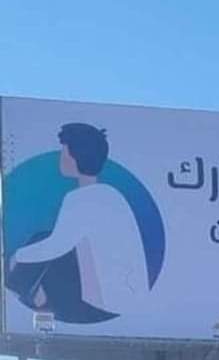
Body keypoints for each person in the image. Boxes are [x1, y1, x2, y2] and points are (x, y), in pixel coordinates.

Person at [7, 123, 149, 322]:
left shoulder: (82, 199)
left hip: (101, 306)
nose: (61, 158)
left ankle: (38, 299)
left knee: (33, 250)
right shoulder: (111, 195)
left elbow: (55, 247)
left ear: (75, 158)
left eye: (64, 153)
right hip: (124, 301)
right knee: (43, 238)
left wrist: (16, 257)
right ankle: (39, 296)